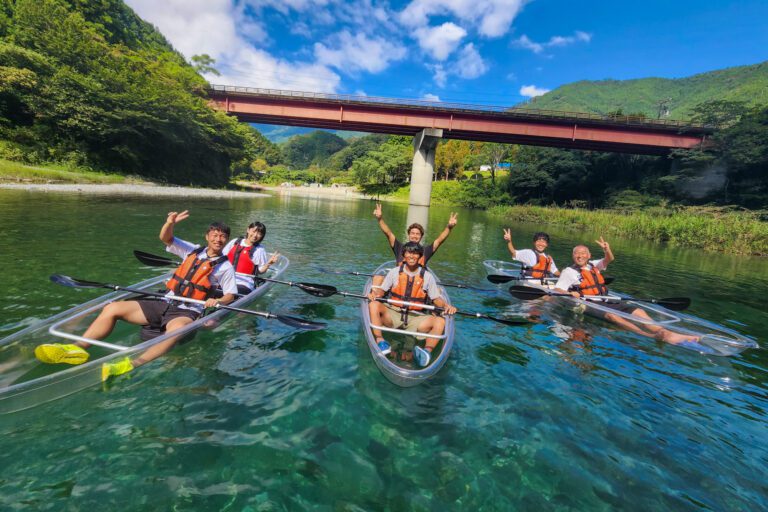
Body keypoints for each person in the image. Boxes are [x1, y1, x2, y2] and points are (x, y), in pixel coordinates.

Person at [34, 210, 238, 380]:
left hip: (188, 310)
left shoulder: (225, 267)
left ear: (226, 240)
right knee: (112, 308)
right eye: (215, 235)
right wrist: (169, 223)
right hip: (165, 301)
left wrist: (217, 300)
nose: (218, 239)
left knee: (176, 331)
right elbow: (166, 238)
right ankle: (77, 348)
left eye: (223, 236)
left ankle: (132, 364)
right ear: (207, 236)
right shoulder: (192, 250)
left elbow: (230, 295)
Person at [554, 237, 699, 345]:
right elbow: (558, 289)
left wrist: (606, 249)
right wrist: (570, 293)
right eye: (577, 253)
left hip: (607, 299)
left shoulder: (593, 265)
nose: (580, 255)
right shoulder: (568, 272)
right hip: (590, 303)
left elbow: (609, 259)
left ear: (589, 255)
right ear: (573, 256)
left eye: (583, 253)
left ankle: (665, 332)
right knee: (613, 316)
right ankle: (650, 336)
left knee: (638, 311)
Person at [368, 242, 457, 367]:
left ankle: (426, 352)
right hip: (394, 313)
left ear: (420, 257)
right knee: (373, 305)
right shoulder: (394, 272)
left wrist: (447, 306)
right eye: (409, 252)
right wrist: (374, 294)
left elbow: (436, 299)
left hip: (416, 317)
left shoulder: (427, 276)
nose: (412, 256)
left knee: (440, 322)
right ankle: (380, 341)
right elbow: (382, 291)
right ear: (404, 255)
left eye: (415, 253)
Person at [373, 203, 457, 267]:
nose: (415, 236)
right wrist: (380, 219)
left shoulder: (426, 251)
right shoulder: (399, 248)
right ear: (408, 235)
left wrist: (449, 227)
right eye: (412, 233)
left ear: (421, 236)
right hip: (399, 286)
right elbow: (388, 233)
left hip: (418, 287)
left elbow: (439, 240)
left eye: (417, 234)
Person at [223, 221, 280, 294]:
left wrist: (269, 264)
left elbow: (260, 271)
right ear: (248, 230)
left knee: (229, 295)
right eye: (253, 231)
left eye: (259, 234)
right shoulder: (235, 242)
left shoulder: (259, 250)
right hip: (226, 279)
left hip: (244, 284)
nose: (255, 235)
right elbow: (222, 257)